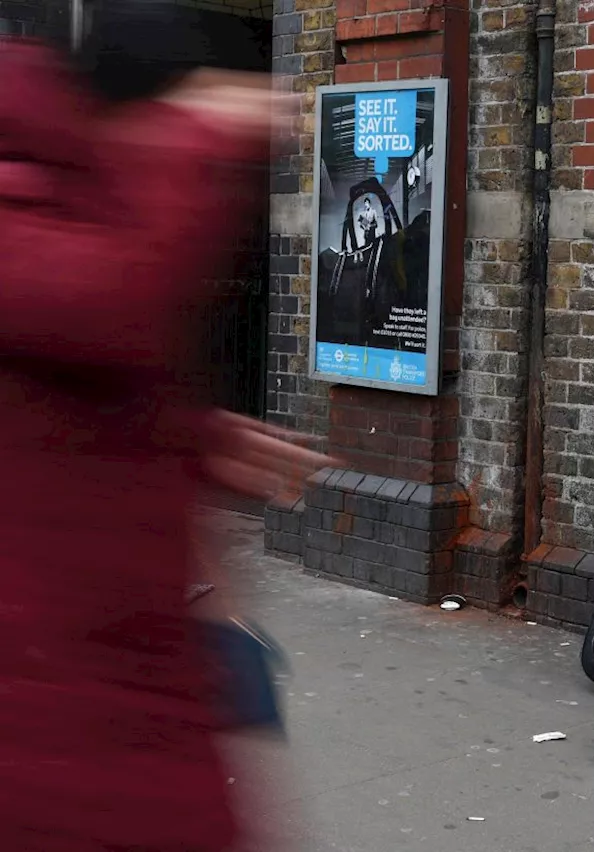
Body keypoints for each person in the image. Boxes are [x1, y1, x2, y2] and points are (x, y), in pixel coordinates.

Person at [0, 11, 333, 851]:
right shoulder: (24, 196)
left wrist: (190, 437)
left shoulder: (78, 210)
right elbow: (111, 306)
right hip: (54, 709)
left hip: (106, 674)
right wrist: (197, 139)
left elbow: (67, 387)